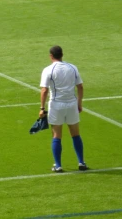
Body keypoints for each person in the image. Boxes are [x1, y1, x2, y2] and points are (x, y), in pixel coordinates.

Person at [39, 45, 88, 173]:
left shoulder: (48, 70)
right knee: (76, 134)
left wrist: (42, 108)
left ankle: (58, 165)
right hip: (71, 104)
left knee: (56, 135)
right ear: (62, 54)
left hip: (56, 105)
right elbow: (80, 87)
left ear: (51, 56)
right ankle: (81, 162)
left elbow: (44, 90)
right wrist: (79, 103)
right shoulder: (72, 67)